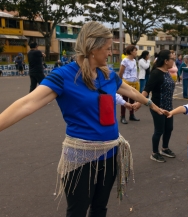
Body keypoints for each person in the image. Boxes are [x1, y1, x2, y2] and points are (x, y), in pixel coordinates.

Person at [0, 21, 163, 217]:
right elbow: (26, 104)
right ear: (92, 49)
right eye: (107, 48)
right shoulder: (64, 76)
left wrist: (149, 103)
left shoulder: (108, 74)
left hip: (110, 153)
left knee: (100, 208)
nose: (110, 53)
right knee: (77, 211)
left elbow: (127, 89)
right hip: (80, 158)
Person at [133, 50, 176, 163]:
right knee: (159, 130)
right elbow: (147, 90)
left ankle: (165, 148)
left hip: (169, 107)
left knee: (169, 128)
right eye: (172, 59)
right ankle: (155, 153)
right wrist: (139, 103)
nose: (174, 61)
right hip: (158, 107)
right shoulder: (156, 73)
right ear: (166, 61)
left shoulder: (167, 72)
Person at [118, 45, 140, 124]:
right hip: (126, 82)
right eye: (135, 51)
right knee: (124, 100)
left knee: (132, 99)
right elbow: (121, 72)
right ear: (131, 52)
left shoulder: (134, 60)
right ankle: (123, 116)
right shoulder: (125, 60)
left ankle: (132, 115)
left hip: (133, 82)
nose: (136, 52)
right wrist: (120, 81)